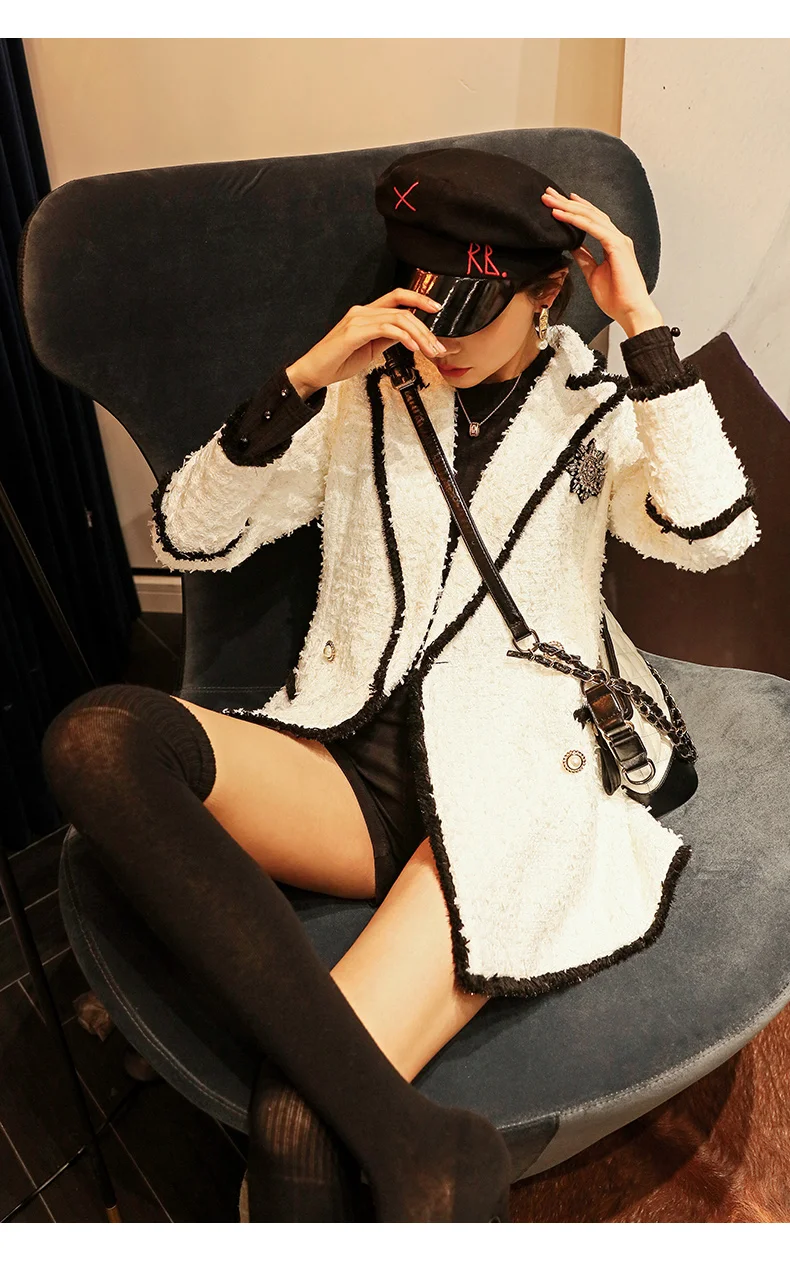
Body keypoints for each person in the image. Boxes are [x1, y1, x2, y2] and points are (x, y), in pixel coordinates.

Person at [39, 147, 759, 1223]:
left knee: (296, 1123)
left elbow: (714, 533)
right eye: (428, 304)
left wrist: (643, 328)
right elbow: (189, 535)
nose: (445, 340)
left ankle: (402, 1159)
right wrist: (299, 383)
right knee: (98, 738)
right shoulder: (364, 398)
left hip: (511, 784)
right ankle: (424, 1146)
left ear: (546, 292)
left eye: (473, 311)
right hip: (353, 765)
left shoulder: (602, 407)